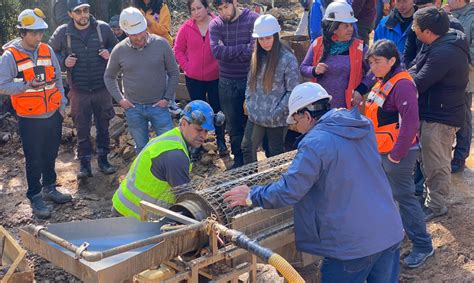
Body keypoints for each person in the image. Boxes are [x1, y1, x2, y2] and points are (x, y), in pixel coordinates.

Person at [224, 82, 404, 283]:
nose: (295, 127)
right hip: (390, 230)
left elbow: (289, 190)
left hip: (352, 246)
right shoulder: (361, 125)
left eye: (295, 120)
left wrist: (251, 195)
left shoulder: (315, 143)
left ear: (307, 116)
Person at [365, 40, 434, 268]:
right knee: (389, 196)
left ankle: (423, 245)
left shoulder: (402, 84)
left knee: (404, 198)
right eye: (371, 62)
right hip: (383, 150)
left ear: (392, 61)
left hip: (398, 154)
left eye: (378, 62)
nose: (373, 67)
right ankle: (396, 234)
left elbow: (410, 123)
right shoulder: (382, 81)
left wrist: (396, 155)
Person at [0, 9, 72, 219]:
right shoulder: (10, 56)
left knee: (50, 154)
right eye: (33, 33)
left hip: (52, 114)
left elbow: (58, 78)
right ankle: (34, 194)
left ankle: (50, 187)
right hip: (29, 119)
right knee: (34, 159)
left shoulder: (47, 50)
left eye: (40, 32)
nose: (38, 36)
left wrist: (62, 103)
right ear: (22, 32)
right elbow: (2, 84)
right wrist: (25, 84)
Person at [112, 100, 224, 219]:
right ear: (184, 124)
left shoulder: (174, 137)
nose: (203, 136)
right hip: (132, 217)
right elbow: (186, 199)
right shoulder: (175, 154)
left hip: (126, 209)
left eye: (206, 131)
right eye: (199, 129)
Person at [410, 7, 469, 220]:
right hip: (432, 112)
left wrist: (396, 86)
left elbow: (419, 81)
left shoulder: (445, 52)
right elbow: (415, 67)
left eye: (416, 27)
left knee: (437, 163)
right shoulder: (437, 43)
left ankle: (436, 206)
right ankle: (430, 199)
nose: (413, 30)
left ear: (427, 31)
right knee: (427, 160)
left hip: (441, 117)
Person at [49, 0, 118, 179]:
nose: (83, 15)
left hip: (102, 88)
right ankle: (85, 164)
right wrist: (63, 61)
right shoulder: (63, 32)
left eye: (85, 10)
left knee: (103, 127)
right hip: (78, 90)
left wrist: (109, 53)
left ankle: (103, 160)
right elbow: (51, 52)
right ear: (71, 14)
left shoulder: (102, 28)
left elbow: (117, 47)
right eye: (78, 12)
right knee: (82, 129)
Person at [104, 7, 178, 154]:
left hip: (159, 106)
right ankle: (146, 176)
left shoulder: (161, 44)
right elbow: (109, 76)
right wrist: (121, 100)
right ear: (125, 32)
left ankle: (170, 175)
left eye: (140, 32)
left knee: (170, 146)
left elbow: (174, 73)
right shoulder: (119, 50)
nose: (138, 37)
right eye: (133, 34)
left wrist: (166, 99)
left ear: (145, 27)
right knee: (142, 149)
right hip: (133, 108)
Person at [241, 15, 299, 164]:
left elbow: (292, 90)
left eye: (268, 38)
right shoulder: (257, 56)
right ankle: (252, 184)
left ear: (275, 35)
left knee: (275, 153)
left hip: (276, 119)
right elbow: (249, 82)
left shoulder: (287, 58)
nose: (264, 42)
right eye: (261, 39)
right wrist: (249, 101)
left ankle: (274, 185)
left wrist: (277, 112)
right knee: (247, 147)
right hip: (255, 115)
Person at [174, 0, 228, 158]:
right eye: (192, 9)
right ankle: (196, 144)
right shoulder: (186, 27)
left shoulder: (219, 25)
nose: (196, 12)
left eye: (199, 8)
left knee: (218, 110)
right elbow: (178, 50)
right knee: (196, 113)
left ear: (207, 8)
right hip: (194, 78)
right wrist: (187, 67)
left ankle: (221, 141)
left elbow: (226, 45)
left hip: (216, 77)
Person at [209, 0, 259, 169]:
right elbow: (216, 51)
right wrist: (244, 48)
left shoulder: (253, 20)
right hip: (227, 81)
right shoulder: (215, 24)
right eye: (219, 9)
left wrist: (229, 51)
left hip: (250, 79)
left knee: (254, 123)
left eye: (226, 7)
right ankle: (238, 162)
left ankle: (252, 164)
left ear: (235, 2)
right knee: (233, 124)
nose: (223, 12)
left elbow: (255, 49)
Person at [300, 1, 374, 110]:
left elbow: (373, 71)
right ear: (334, 28)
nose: (350, 29)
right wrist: (314, 70)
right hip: (321, 109)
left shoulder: (360, 48)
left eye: (351, 25)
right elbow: (303, 68)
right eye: (346, 26)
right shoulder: (318, 44)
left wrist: (361, 90)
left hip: (348, 110)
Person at [447, 0, 474, 173]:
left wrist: (455, 57)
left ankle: (460, 156)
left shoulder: (471, 19)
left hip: (465, 77)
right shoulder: (448, 15)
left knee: (463, 118)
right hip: (447, 75)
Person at [403, 0, 463, 68]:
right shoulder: (416, 24)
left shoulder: (453, 24)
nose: (420, 11)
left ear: (438, 3)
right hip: (418, 69)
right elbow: (408, 52)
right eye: (418, 8)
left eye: (424, 7)